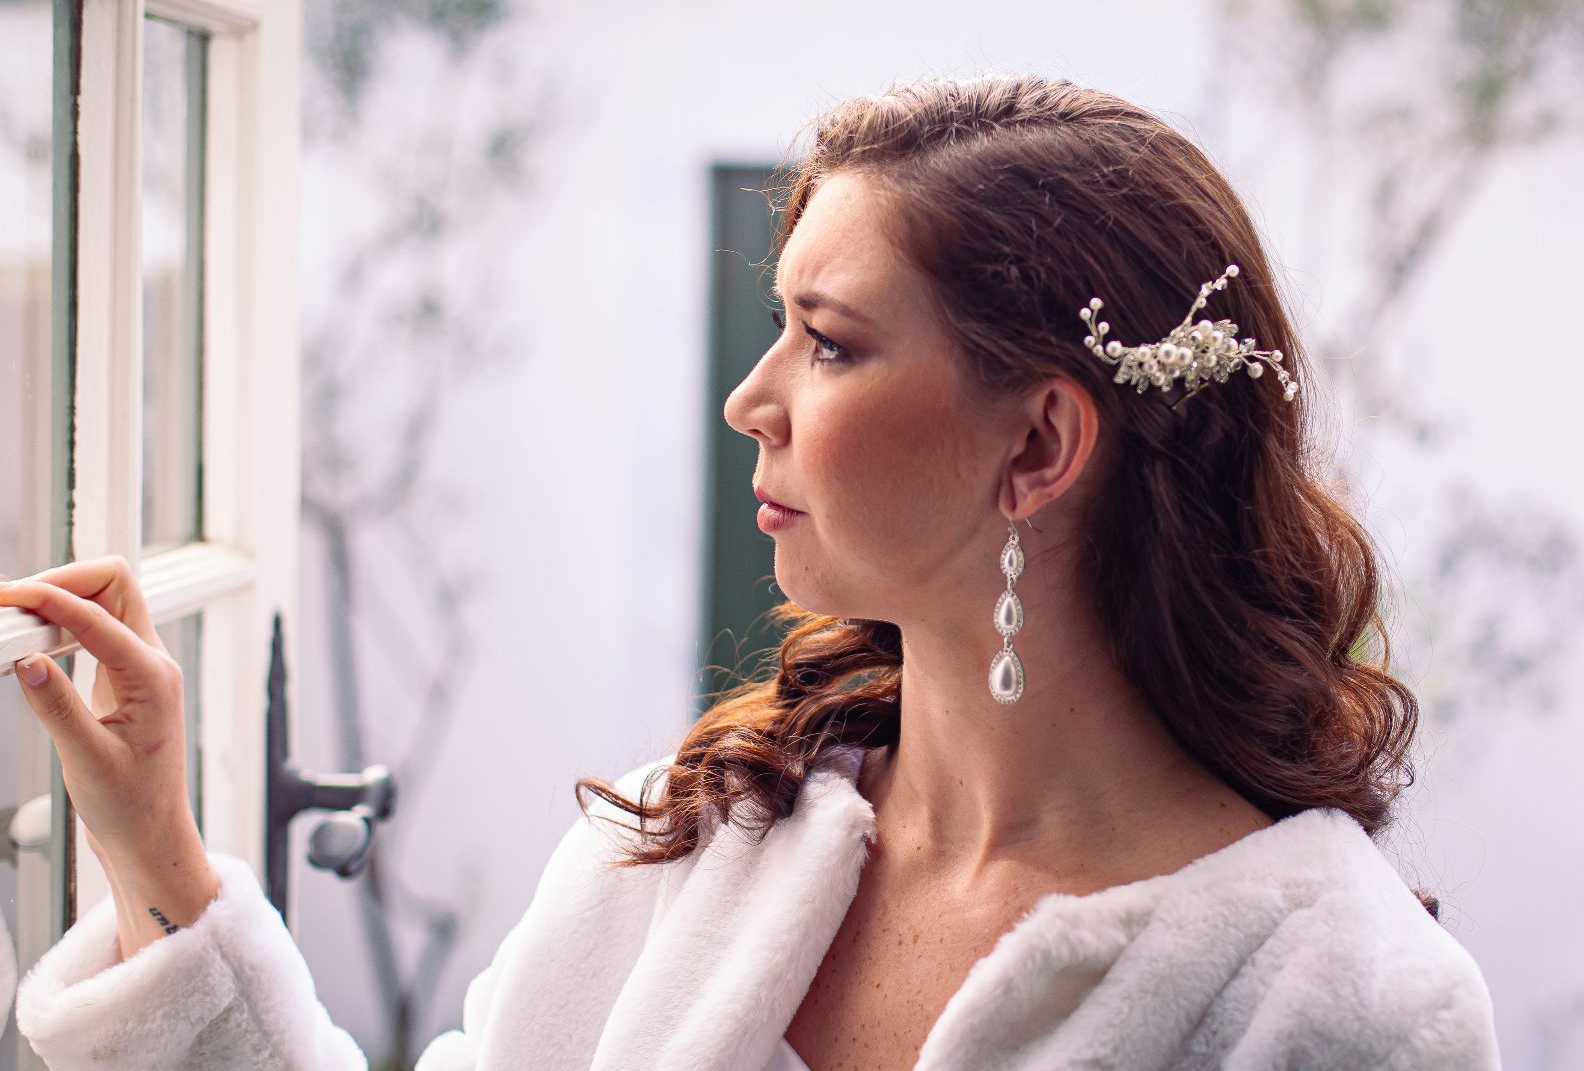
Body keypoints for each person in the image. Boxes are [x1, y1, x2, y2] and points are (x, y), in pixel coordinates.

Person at [5, 73, 1502, 1070]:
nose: (753, 395)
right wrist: (155, 851)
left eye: (831, 341)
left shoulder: (1344, 1002)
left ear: (1041, 442)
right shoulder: (698, 834)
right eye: (774, 325)